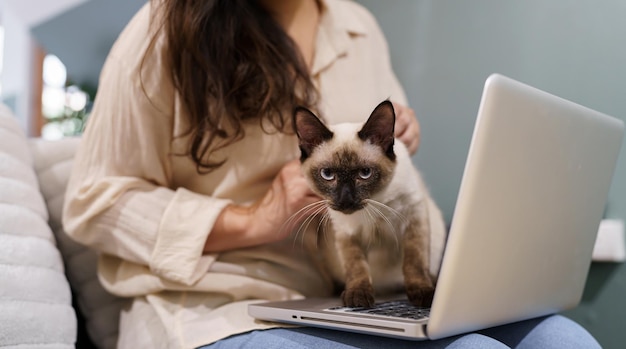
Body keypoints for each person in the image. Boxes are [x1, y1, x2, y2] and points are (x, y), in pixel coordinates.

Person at [62, 0, 601, 348]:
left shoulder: (358, 26)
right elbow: (92, 201)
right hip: (221, 308)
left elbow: (379, 158)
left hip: (344, 300)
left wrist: (399, 142)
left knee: (564, 341)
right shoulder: (164, 28)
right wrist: (253, 221)